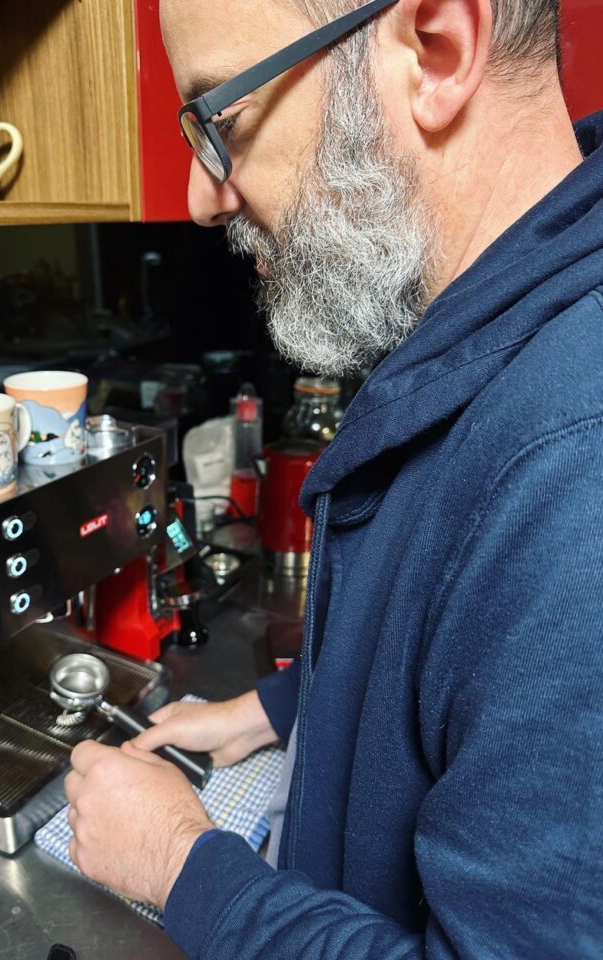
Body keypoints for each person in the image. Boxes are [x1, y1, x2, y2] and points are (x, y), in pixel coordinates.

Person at [64, 0, 603, 956]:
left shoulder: (575, 465)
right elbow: (448, 661)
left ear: (435, 51)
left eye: (218, 120)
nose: (202, 195)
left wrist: (182, 862)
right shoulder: (491, 332)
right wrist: (266, 711)